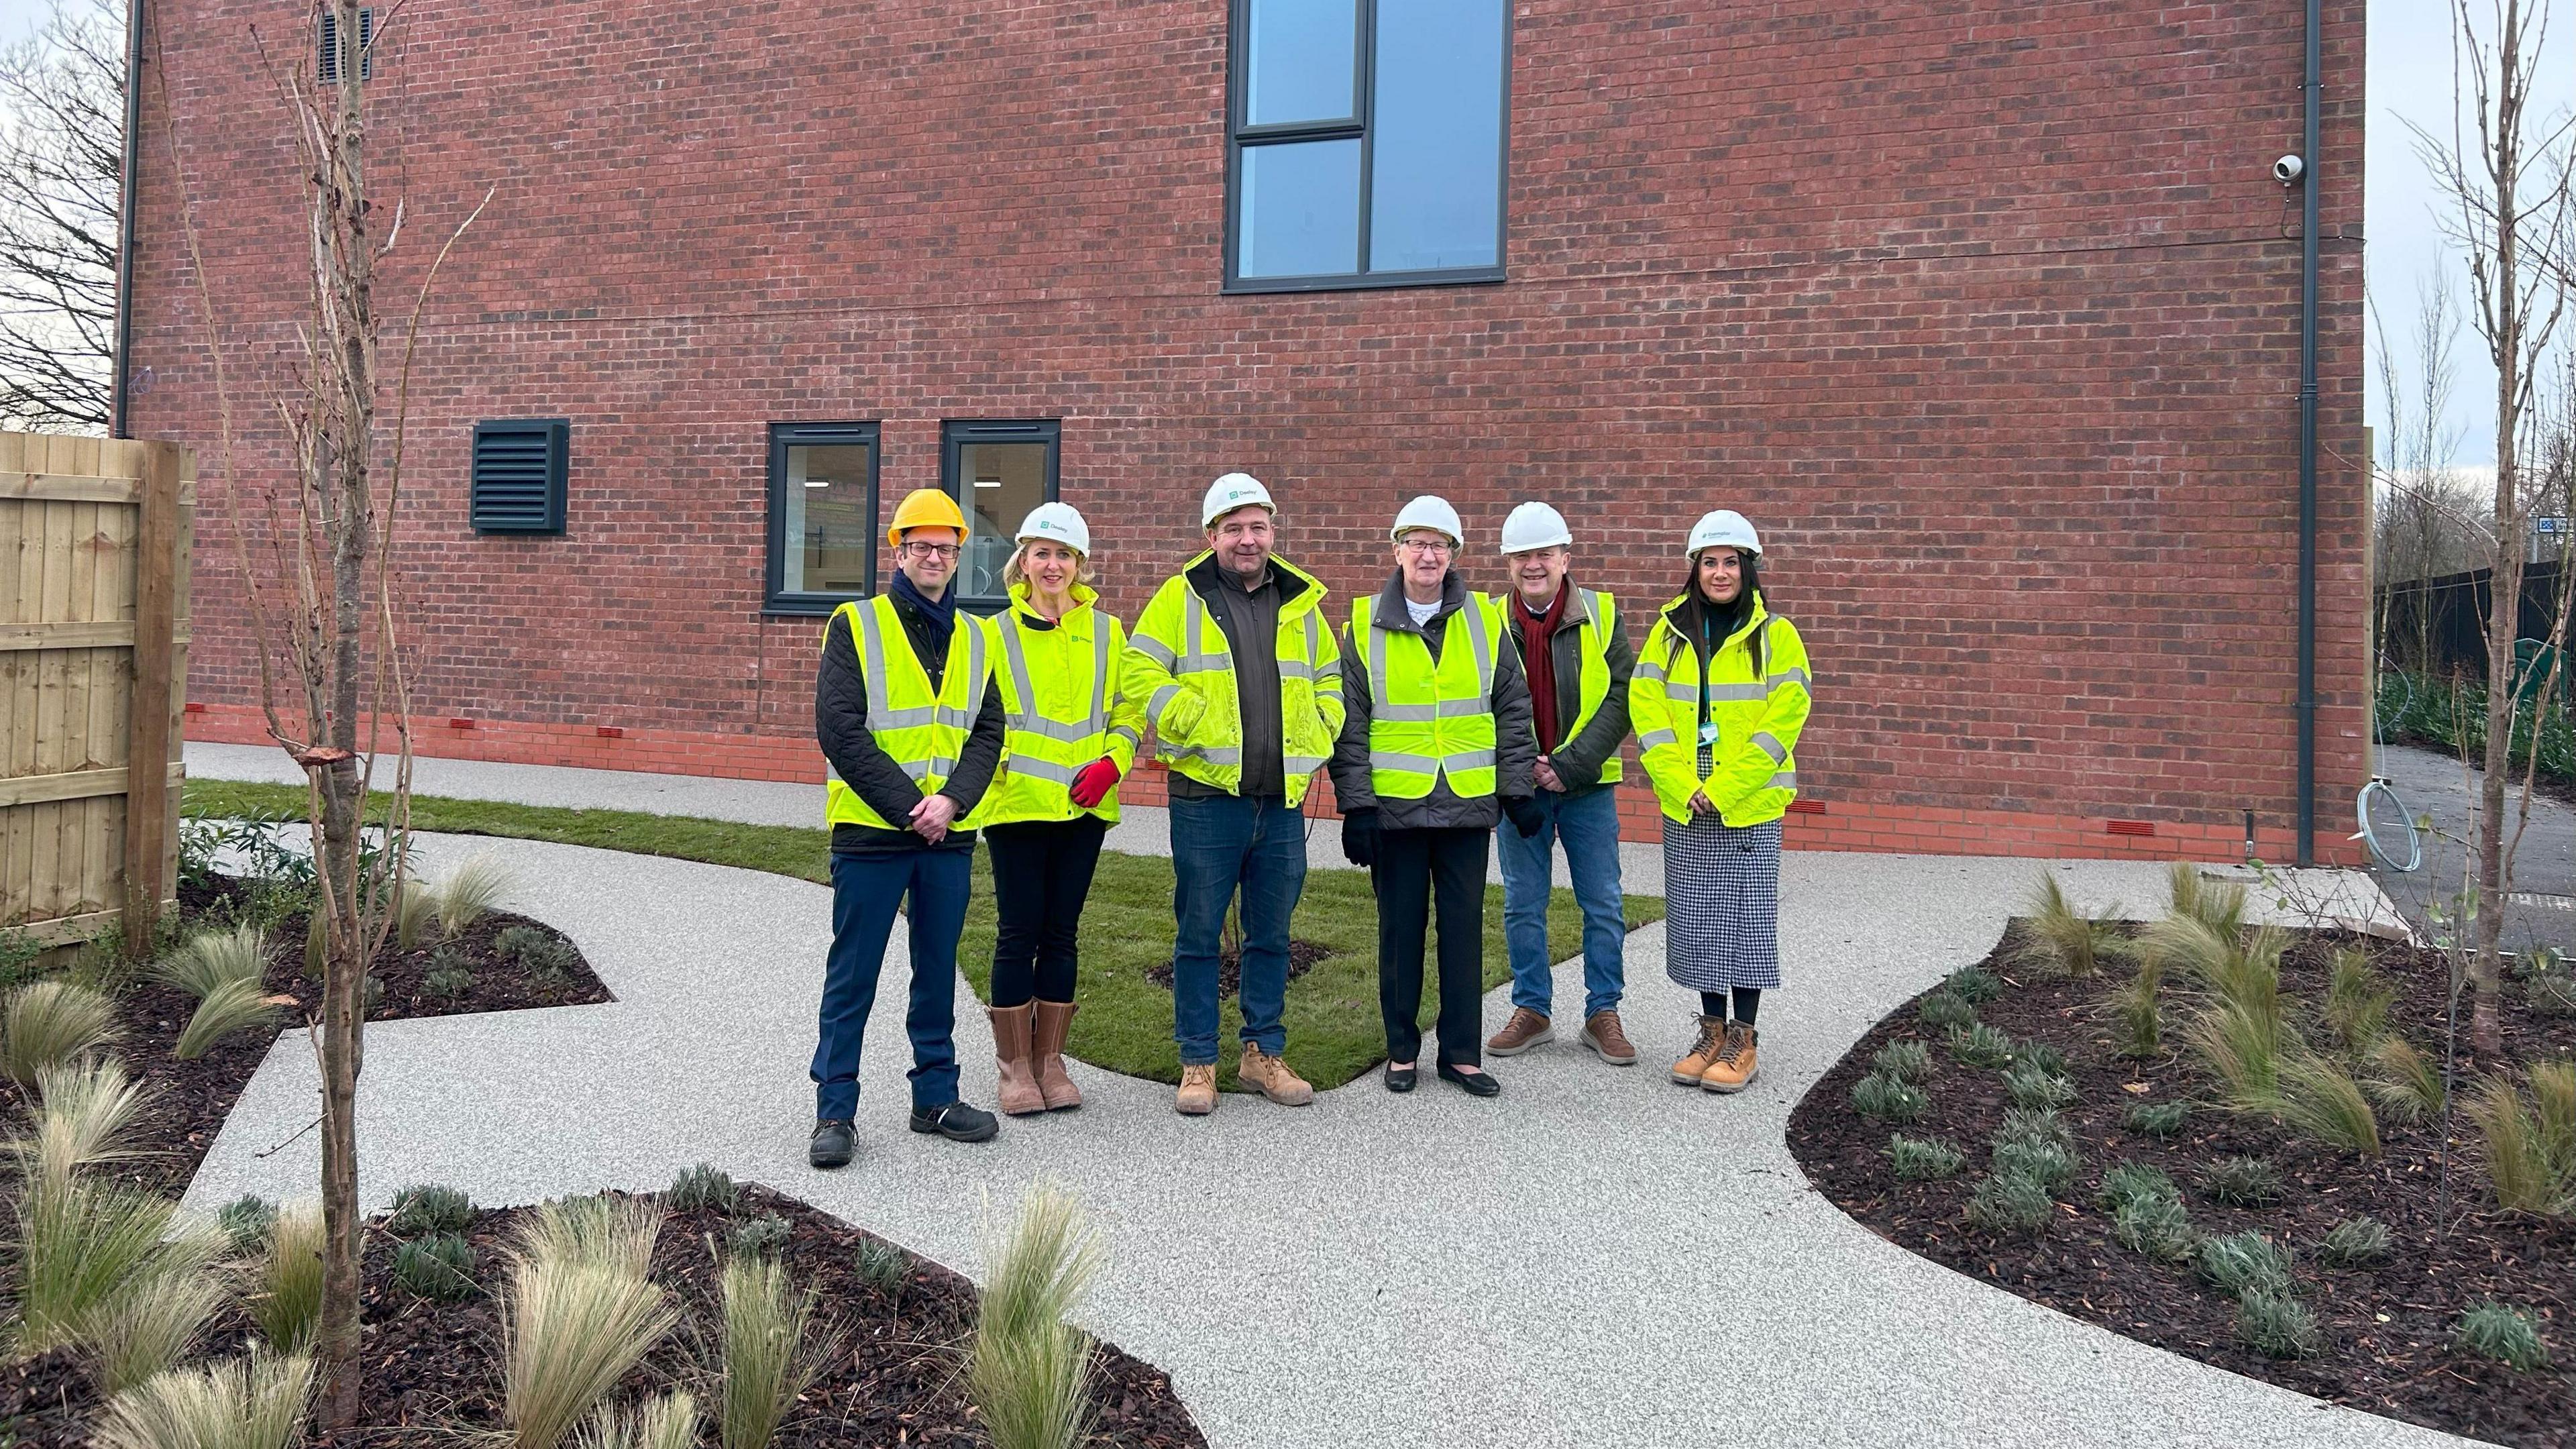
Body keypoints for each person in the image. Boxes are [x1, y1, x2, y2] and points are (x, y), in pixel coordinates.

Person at [1124, 472, 1344, 1116]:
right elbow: (1138, 669)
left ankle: (1262, 1055)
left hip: (1280, 803)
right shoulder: (1179, 596)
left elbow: (1329, 677)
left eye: (1258, 527)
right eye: (1234, 528)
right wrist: (1185, 716)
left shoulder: (1300, 601)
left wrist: (1322, 729)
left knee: (1270, 934)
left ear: (1273, 532)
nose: (1248, 540)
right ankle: (1198, 1062)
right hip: (1206, 798)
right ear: (1210, 536)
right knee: (1197, 934)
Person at [809, 488, 1007, 1169]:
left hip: (947, 835)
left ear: (959, 557)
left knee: (936, 972)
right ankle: (835, 1109)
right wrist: (909, 805)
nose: (933, 557)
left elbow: (988, 730)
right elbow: (839, 729)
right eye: (920, 546)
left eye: (946, 548)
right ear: (899, 552)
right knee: (853, 975)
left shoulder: (979, 636)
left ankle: (936, 1097)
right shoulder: (855, 625)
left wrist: (950, 801)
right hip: (873, 833)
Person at [1330, 496, 1539, 1098]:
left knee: (1463, 931)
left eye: (1439, 544)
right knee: (1400, 932)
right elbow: (1353, 722)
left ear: (1454, 555)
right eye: (1417, 543)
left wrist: (1516, 788)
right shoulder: (1362, 623)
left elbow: (1512, 707)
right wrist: (1358, 804)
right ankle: (1401, 1051)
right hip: (1394, 809)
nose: (1428, 554)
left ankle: (1462, 1055)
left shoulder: (1485, 620)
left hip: (1467, 803)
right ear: (1397, 550)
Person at [1629, 509, 1812, 1094]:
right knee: (1700, 921)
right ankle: (1710, 1031)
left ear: (1749, 568)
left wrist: (1724, 787)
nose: (1720, 572)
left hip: (1748, 802)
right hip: (1687, 800)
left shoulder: (1776, 635)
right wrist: (1683, 785)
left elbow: (1784, 720)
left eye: (1731, 561)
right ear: (1694, 569)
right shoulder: (1669, 633)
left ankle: (1744, 1038)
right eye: (1709, 562)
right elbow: (1648, 712)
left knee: (1747, 924)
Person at [979, 502, 1144, 1116]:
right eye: (1042, 553)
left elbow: (1127, 712)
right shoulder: (993, 634)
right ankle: (1014, 1067)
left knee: (1063, 933)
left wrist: (1114, 765)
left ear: (1080, 564)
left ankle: (1052, 1061)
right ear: (1023, 562)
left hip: (1085, 807)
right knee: (1018, 932)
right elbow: (980, 719)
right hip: (1018, 806)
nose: (1053, 565)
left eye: (1064, 555)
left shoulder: (1108, 631)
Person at [1484, 501, 1640, 1066]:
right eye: (1522, 555)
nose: (1533, 565)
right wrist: (1522, 765)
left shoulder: (1601, 612)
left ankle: (1603, 1013)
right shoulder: (1486, 621)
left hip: (1587, 788)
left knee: (1602, 902)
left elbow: (1625, 694)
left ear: (1564, 558)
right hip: (1521, 789)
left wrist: (1570, 764)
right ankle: (1533, 1010)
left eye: (1543, 554)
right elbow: (1480, 703)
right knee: (1523, 904)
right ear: (1508, 562)